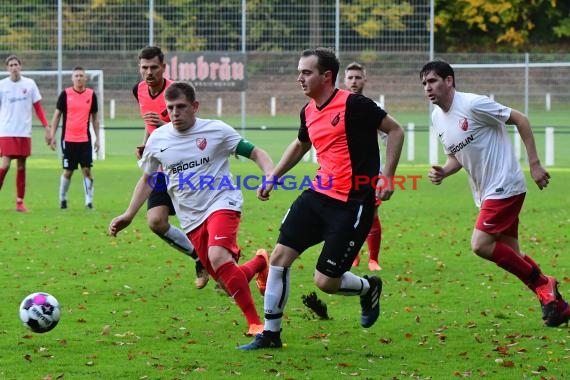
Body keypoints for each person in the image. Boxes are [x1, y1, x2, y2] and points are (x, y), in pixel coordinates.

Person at [239, 48, 405, 350]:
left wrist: (388, 175)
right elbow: (302, 143)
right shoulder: (309, 110)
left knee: (325, 282)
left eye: (306, 72)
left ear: (326, 76)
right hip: (317, 196)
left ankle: (368, 288)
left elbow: (395, 130)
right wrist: (273, 174)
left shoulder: (354, 105)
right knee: (279, 257)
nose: (299, 77)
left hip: (352, 203)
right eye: (299, 72)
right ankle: (271, 334)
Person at [109, 81, 274, 336]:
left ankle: (256, 324)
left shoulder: (216, 130)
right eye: (171, 108)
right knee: (226, 280)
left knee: (219, 257)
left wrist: (269, 174)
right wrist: (129, 214)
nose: (175, 113)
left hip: (222, 201)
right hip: (191, 217)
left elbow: (255, 153)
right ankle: (260, 262)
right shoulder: (158, 139)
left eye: (181, 107)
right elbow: (148, 179)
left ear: (195, 106)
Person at [420, 59, 570, 327]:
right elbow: (457, 157)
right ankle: (556, 304)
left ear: (449, 81)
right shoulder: (436, 118)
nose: (427, 88)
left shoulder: (474, 104)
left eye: (432, 81)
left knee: (481, 244)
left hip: (505, 185)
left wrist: (534, 164)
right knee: (514, 254)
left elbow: (521, 120)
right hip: (486, 192)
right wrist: (444, 170)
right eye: (424, 83)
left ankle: (543, 284)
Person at [133, 45, 209, 289]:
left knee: (202, 225)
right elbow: (150, 125)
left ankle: (226, 264)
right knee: (156, 221)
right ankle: (199, 257)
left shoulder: (175, 91)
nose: (149, 72)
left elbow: (191, 125)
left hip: (185, 167)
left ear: (164, 68)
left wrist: (165, 120)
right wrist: (147, 145)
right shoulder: (139, 90)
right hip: (161, 167)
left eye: (154, 67)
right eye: (144, 68)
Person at [344, 62, 383, 271]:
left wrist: (384, 170)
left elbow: (388, 135)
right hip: (344, 172)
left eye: (358, 77)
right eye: (350, 78)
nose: (354, 81)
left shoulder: (372, 106)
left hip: (370, 173)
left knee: (372, 213)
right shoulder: (339, 105)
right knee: (347, 214)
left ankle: (373, 259)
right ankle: (354, 255)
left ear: (364, 80)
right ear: (344, 81)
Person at [0, 55, 50, 212]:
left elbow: (38, 108)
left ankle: (19, 202)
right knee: (6, 164)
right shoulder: (2, 85)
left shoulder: (30, 84)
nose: (14, 67)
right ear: (7, 68)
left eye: (16, 64)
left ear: (20, 66)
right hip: (7, 130)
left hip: (24, 132)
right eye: (11, 65)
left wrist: (46, 127)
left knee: (21, 166)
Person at [49, 66, 100, 209]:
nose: (78, 78)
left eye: (81, 75)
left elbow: (95, 118)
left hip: (85, 140)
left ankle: (89, 201)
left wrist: (98, 138)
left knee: (87, 171)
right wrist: (52, 135)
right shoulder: (65, 94)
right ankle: (63, 198)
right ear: (72, 78)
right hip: (68, 139)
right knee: (68, 172)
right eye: (76, 75)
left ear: (85, 78)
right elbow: (57, 115)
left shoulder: (91, 95)